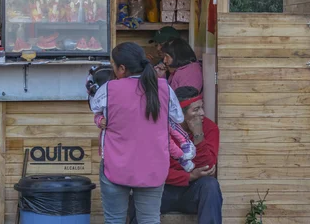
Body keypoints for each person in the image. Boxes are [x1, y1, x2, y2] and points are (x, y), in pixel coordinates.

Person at [88, 42, 171, 224]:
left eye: (114, 66)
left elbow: (95, 108)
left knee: (114, 220)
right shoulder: (164, 87)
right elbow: (176, 118)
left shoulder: (108, 89)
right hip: (153, 166)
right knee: (149, 219)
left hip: (115, 165)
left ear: (122, 68)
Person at [129, 86, 222, 224]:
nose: (202, 113)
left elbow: (207, 167)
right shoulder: (159, 128)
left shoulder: (209, 127)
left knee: (210, 185)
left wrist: (198, 135)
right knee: (140, 191)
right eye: (196, 110)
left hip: (192, 192)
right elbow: (155, 170)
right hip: (162, 190)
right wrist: (189, 176)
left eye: (201, 107)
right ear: (179, 113)